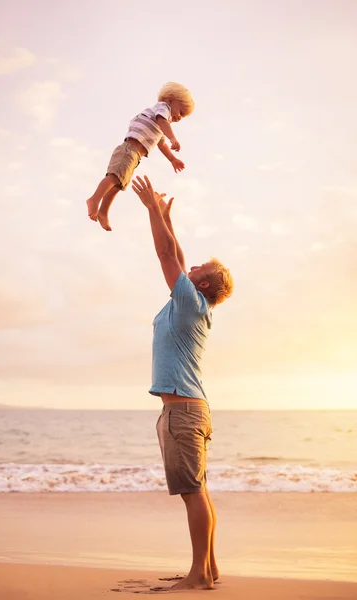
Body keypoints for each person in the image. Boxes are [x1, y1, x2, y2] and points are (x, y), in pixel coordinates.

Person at [132, 175, 234, 591]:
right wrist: (168, 219)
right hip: (188, 410)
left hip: (184, 412)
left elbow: (164, 253)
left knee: (193, 492)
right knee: (200, 490)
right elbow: (174, 250)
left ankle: (198, 576)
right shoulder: (189, 302)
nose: (189, 268)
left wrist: (153, 212)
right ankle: (208, 568)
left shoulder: (191, 303)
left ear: (203, 285)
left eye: (198, 270)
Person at [86, 82, 194, 231]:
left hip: (134, 155)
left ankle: (103, 211)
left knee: (118, 183)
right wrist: (173, 138)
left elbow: (160, 143)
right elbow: (164, 123)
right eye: (181, 112)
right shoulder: (163, 109)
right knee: (114, 177)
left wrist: (172, 159)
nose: (180, 118)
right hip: (129, 150)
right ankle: (94, 199)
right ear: (170, 100)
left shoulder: (159, 123)